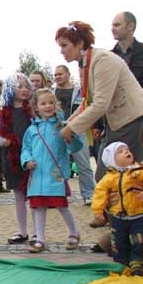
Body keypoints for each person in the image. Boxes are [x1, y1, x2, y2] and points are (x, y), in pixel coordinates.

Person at [56, 21, 143, 180]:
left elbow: (100, 104)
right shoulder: (86, 63)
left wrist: (72, 128)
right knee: (109, 176)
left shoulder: (102, 59)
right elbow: (87, 101)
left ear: (80, 43)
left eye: (64, 45)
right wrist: (69, 123)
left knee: (123, 175)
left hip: (134, 120)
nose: (61, 51)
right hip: (118, 124)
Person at [20, 89, 83, 253]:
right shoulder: (31, 130)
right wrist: (26, 161)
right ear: (36, 107)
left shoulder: (62, 126)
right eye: (43, 103)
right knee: (38, 207)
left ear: (56, 105)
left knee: (62, 205)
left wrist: (69, 137)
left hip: (55, 174)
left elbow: (76, 146)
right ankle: (40, 239)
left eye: (51, 103)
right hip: (37, 175)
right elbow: (25, 149)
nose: (48, 106)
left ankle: (74, 232)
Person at [91, 141, 143, 276]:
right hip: (119, 217)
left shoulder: (139, 171)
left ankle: (137, 261)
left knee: (138, 239)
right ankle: (121, 261)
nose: (126, 152)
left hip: (140, 215)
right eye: (120, 152)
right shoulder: (109, 178)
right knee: (117, 240)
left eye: (127, 150)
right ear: (112, 160)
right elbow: (99, 194)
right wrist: (98, 211)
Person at [0, 73, 36, 245]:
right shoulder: (1, 112)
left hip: (32, 156)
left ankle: (37, 232)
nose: (24, 90)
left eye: (26, 86)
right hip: (12, 157)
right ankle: (23, 231)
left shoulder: (32, 109)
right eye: (19, 87)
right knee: (18, 195)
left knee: (34, 194)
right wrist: (4, 141)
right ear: (10, 89)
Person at [53, 64, 95, 204]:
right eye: (55, 75)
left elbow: (87, 107)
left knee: (83, 164)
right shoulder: (51, 93)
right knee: (56, 165)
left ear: (68, 74)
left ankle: (89, 194)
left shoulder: (80, 91)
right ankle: (57, 194)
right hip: (58, 132)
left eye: (60, 74)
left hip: (77, 131)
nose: (57, 77)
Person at [111, 11, 143, 99]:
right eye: (112, 25)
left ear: (130, 26)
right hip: (117, 106)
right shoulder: (109, 57)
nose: (112, 29)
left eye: (117, 25)